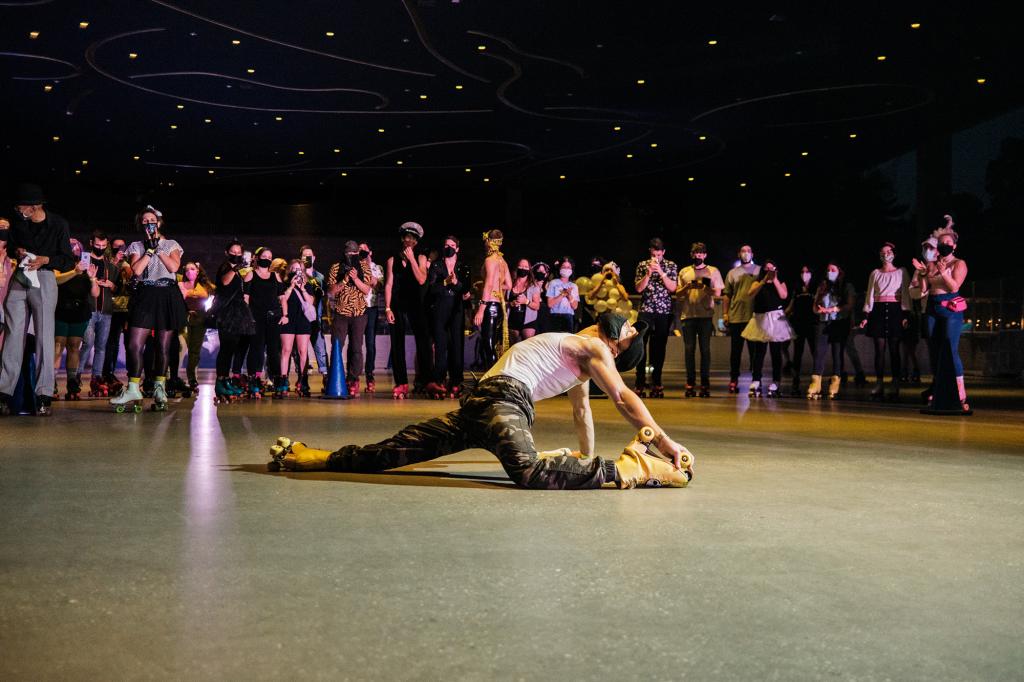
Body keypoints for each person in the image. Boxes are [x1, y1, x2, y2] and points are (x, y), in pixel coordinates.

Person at [268, 312, 695, 490]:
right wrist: (664, 445)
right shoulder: (589, 346)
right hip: (498, 404)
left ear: (616, 350)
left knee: (395, 450)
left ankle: (313, 456)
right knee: (528, 470)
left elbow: (586, 411)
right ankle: (632, 468)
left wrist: (583, 458)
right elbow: (622, 396)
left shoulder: (583, 360)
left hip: (486, 407)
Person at [0, 184, 77, 417]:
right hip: (21, 277)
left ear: (34, 207)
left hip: (43, 278)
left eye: (21, 206)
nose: (17, 209)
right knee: (13, 336)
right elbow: (12, 248)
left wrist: (46, 260)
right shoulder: (19, 223)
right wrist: (18, 252)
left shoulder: (58, 224)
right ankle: (4, 394)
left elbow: (68, 261)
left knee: (44, 336)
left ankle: (44, 395)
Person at [108, 206, 187, 412]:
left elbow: (173, 267)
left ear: (158, 222)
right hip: (145, 294)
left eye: (152, 220)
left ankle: (160, 387)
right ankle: (134, 387)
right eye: (144, 221)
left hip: (167, 294)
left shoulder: (171, 244)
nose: (148, 223)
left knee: (163, 346)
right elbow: (136, 270)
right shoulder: (136, 245)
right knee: (134, 344)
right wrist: (149, 250)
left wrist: (158, 248)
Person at [913, 215, 970, 411]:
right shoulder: (932, 264)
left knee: (950, 349)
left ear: (954, 246)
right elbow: (923, 289)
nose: (944, 245)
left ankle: (960, 394)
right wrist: (921, 274)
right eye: (941, 242)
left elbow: (954, 287)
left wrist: (944, 272)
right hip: (931, 306)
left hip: (950, 308)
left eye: (948, 242)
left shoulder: (958, 264)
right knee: (934, 350)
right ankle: (939, 390)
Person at [384, 222, 432, 399]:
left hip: (415, 304)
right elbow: (388, 284)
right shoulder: (392, 259)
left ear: (416, 242)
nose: (408, 240)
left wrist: (411, 259)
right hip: (397, 305)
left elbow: (421, 279)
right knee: (397, 344)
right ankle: (401, 382)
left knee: (424, 341)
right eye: (406, 237)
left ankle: (427, 380)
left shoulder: (420, 257)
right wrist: (388, 307)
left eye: (412, 238)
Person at [861, 242, 911, 400]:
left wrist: (905, 314)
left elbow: (906, 294)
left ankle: (895, 383)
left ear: (894, 254)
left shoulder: (902, 272)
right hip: (878, 311)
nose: (885, 254)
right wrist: (866, 315)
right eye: (882, 252)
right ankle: (879, 383)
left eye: (888, 251)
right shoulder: (875, 273)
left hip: (896, 310)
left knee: (894, 349)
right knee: (879, 350)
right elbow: (869, 294)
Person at [52, 238, 99, 400]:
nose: (74, 248)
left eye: (77, 246)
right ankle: (51, 382)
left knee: (74, 346)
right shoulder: (59, 263)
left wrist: (92, 278)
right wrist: (75, 272)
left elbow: (95, 294)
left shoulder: (86, 267)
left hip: (79, 311)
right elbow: (55, 280)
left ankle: (72, 381)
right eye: (71, 246)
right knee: (58, 345)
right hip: (61, 309)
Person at [326, 240, 375, 396]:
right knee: (337, 346)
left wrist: (355, 278)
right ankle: (335, 377)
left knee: (356, 348)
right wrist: (346, 278)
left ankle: (353, 379)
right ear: (344, 253)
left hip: (359, 313)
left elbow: (367, 290)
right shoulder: (336, 267)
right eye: (349, 254)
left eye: (355, 254)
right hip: (341, 313)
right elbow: (332, 291)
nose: (352, 256)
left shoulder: (365, 267)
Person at [425, 236, 471, 399]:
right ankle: (439, 380)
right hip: (439, 309)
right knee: (440, 346)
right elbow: (431, 289)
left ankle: (456, 381)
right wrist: (445, 282)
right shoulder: (436, 265)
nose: (449, 248)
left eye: (452, 245)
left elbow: (466, 291)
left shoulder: (463, 267)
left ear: (457, 248)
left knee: (456, 346)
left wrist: (456, 283)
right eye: (446, 245)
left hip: (457, 310)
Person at [211, 240, 256, 403]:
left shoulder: (240, 270)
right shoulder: (225, 267)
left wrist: (250, 265)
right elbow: (224, 282)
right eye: (233, 252)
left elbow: (249, 279)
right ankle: (220, 381)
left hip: (239, 310)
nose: (236, 255)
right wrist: (235, 267)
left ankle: (226, 378)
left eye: (239, 253)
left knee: (237, 345)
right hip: (227, 311)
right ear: (227, 252)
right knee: (226, 347)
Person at [677, 242, 723, 398]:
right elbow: (678, 293)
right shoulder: (684, 271)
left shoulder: (713, 271)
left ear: (705, 255)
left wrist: (705, 287)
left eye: (701, 253)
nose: (698, 255)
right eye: (696, 253)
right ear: (692, 254)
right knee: (689, 350)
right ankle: (690, 382)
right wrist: (687, 287)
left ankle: (705, 383)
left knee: (705, 350)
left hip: (705, 316)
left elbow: (718, 293)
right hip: (688, 316)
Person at [633, 238, 678, 398]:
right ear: (650, 253)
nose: (656, 258)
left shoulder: (671, 265)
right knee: (640, 346)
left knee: (659, 348)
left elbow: (673, 288)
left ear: (663, 253)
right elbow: (638, 288)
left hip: (663, 311)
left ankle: (656, 381)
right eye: (654, 255)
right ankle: (639, 381)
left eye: (659, 255)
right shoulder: (642, 265)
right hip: (646, 309)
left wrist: (661, 272)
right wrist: (648, 273)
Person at [741, 259, 792, 397]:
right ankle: (756, 380)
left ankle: (776, 381)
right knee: (759, 352)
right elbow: (750, 294)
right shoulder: (758, 282)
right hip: (761, 318)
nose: (769, 271)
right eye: (766, 268)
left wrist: (774, 280)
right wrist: (764, 280)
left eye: (772, 268)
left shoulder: (780, 282)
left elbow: (783, 295)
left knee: (776, 352)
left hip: (775, 318)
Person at [809, 262, 856, 399]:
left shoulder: (846, 286)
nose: (830, 272)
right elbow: (815, 307)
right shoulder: (823, 285)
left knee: (837, 352)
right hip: (823, 321)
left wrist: (833, 309)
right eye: (828, 269)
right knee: (819, 351)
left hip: (839, 321)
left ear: (839, 271)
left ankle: (835, 382)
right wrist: (819, 307)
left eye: (833, 269)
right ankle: (815, 382)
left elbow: (849, 305)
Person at [78, 230, 116, 397]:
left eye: (103, 245)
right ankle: (76, 376)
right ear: (92, 243)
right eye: (97, 245)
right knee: (87, 343)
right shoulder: (84, 261)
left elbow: (116, 288)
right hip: (89, 309)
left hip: (106, 310)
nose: (100, 247)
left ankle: (96, 379)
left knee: (101, 347)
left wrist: (110, 285)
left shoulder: (110, 266)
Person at [241, 248, 282, 399]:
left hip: (272, 317)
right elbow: (245, 297)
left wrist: (284, 314)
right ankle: (253, 381)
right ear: (257, 258)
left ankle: (277, 381)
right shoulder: (251, 274)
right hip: (255, 317)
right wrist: (247, 315)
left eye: (270, 257)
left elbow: (282, 296)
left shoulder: (275, 276)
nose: (267, 259)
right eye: (264, 256)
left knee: (273, 352)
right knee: (256, 350)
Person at [721, 244, 760, 394]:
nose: (746, 253)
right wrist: (725, 314)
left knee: (755, 352)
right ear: (739, 254)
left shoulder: (759, 271)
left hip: (754, 317)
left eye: (748, 251)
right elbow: (727, 295)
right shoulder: (732, 273)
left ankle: (756, 380)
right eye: (743, 251)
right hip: (736, 316)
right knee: (735, 352)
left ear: (752, 253)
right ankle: (734, 379)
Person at [277, 259, 317, 398]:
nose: (297, 271)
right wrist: (291, 286)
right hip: (288, 319)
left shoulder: (308, 285)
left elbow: (310, 301)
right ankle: (283, 380)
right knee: (286, 350)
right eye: (294, 268)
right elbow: (282, 300)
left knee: (302, 350)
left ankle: (303, 380)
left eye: (299, 269)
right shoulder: (284, 284)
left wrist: (302, 288)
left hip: (303, 320)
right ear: (290, 270)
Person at [473, 229, 512, 369]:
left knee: (488, 344)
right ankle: (494, 373)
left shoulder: (490, 260)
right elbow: (509, 285)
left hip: (489, 305)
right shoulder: (503, 261)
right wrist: (495, 288)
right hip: (499, 306)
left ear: (489, 242)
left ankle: (494, 376)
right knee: (494, 343)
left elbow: (489, 283)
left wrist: (481, 309)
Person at [178, 261, 212, 394]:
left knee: (195, 351)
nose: (189, 272)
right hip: (184, 319)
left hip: (200, 320)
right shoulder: (180, 284)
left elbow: (217, 292)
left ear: (197, 271)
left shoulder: (204, 285)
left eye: (192, 269)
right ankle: (171, 377)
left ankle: (192, 379)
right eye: (186, 270)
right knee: (180, 347)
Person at [785, 265, 818, 396]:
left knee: (815, 352)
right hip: (798, 323)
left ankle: (816, 382)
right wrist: (783, 314)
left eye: (807, 271)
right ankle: (795, 382)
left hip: (812, 323)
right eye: (802, 271)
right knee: (797, 354)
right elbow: (791, 305)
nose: (805, 274)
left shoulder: (816, 287)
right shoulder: (796, 287)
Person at [299, 245, 328, 388]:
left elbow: (322, 296)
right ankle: (303, 379)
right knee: (301, 351)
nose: (307, 258)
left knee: (320, 348)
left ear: (314, 258)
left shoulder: (320, 276)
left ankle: (326, 376)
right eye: (305, 256)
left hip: (315, 318)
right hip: (300, 319)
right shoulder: (297, 274)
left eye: (310, 255)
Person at [361, 242, 384, 393]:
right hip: (357, 307)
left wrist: (375, 280)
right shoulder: (355, 266)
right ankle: (353, 376)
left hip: (372, 309)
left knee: (370, 343)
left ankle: (370, 375)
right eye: (360, 252)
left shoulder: (378, 268)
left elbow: (381, 285)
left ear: (370, 252)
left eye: (365, 251)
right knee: (355, 344)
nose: (363, 254)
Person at [546, 257, 580, 333]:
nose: (566, 269)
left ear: (572, 269)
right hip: (554, 316)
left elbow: (575, 306)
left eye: (568, 267)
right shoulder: (553, 283)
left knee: (567, 342)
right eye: (564, 267)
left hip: (568, 317)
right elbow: (550, 304)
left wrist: (569, 295)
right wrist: (563, 294)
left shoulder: (574, 286)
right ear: (559, 268)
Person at [506, 258, 535, 345]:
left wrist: (526, 301)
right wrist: (510, 303)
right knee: (512, 347)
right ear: (517, 268)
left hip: (528, 321)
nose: (523, 268)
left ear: (529, 269)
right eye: (521, 266)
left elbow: (537, 306)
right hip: (512, 320)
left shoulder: (533, 286)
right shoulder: (509, 284)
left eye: (526, 266)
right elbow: (502, 302)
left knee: (527, 347)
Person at [0, 218, 14, 351]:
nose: (4, 230)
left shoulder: (12, 258)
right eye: (1, 227)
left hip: (8, 304)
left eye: (6, 227)